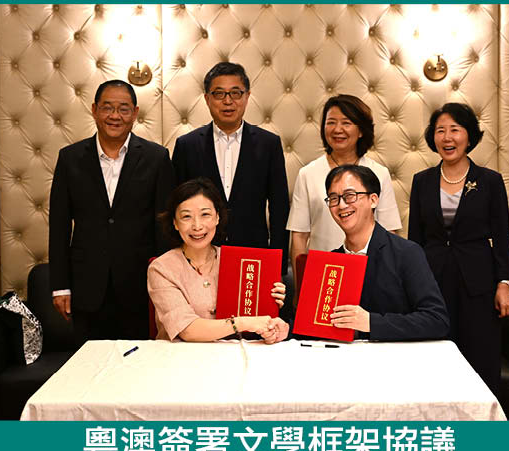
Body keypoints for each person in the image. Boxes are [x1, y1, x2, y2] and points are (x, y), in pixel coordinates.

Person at [49, 79, 175, 344]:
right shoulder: (70, 158)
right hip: (86, 288)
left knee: (139, 363)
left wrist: (165, 286)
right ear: (94, 110)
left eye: (123, 109)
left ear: (135, 113)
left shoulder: (156, 158)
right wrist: (60, 286)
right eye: (107, 107)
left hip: (140, 287)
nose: (115, 116)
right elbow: (59, 227)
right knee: (89, 364)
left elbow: (163, 228)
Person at [408, 102, 509, 394]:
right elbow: (415, 240)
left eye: (455, 129)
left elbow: (501, 237)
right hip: (433, 280)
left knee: (480, 355)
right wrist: (410, 284)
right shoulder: (422, 181)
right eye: (440, 130)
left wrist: (503, 284)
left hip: (478, 283)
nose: (447, 138)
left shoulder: (490, 181)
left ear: (469, 136)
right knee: (434, 356)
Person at [171, 62, 290, 273]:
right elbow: (176, 206)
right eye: (219, 94)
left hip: (253, 256)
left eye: (236, 93)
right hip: (199, 256)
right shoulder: (187, 145)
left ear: (247, 96)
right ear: (207, 98)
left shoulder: (268, 144)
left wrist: (277, 267)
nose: (228, 101)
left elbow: (279, 208)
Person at [148, 178, 290, 343]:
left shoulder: (240, 262)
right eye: (186, 217)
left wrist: (271, 321)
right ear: (175, 223)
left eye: (205, 214)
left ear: (217, 217)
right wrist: (242, 323)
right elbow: (187, 331)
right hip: (181, 356)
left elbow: (257, 324)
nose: (197, 226)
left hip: (232, 354)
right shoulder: (162, 268)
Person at [287, 94, 401, 289]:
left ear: (361, 130)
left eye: (346, 123)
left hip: (370, 276)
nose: (337, 129)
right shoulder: (308, 174)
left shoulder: (379, 173)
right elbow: (299, 236)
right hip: (322, 276)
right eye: (331, 122)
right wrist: (300, 289)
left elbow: (390, 232)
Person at [324, 165, 449, 341]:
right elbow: (311, 323)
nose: (341, 205)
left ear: (373, 200)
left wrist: (371, 322)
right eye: (333, 198)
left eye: (350, 196)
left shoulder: (406, 253)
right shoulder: (331, 261)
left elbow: (436, 320)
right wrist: (286, 328)